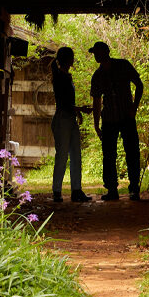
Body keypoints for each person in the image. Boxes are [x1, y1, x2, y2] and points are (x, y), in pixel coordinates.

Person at [89, 41, 143, 201]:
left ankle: (134, 189)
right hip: (109, 118)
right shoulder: (97, 75)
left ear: (106, 52)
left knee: (132, 152)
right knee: (108, 155)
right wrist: (96, 124)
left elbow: (139, 85)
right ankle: (112, 189)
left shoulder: (123, 65)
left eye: (98, 52)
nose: (96, 56)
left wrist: (135, 107)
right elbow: (97, 101)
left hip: (127, 115)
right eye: (94, 54)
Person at [50, 47, 92, 203]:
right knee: (62, 155)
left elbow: (68, 103)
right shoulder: (60, 77)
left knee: (76, 154)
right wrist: (80, 109)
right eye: (72, 57)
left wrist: (78, 112)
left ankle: (76, 190)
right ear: (68, 59)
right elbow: (63, 103)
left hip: (69, 119)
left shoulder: (66, 76)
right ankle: (57, 191)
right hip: (62, 120)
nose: (74, 60)